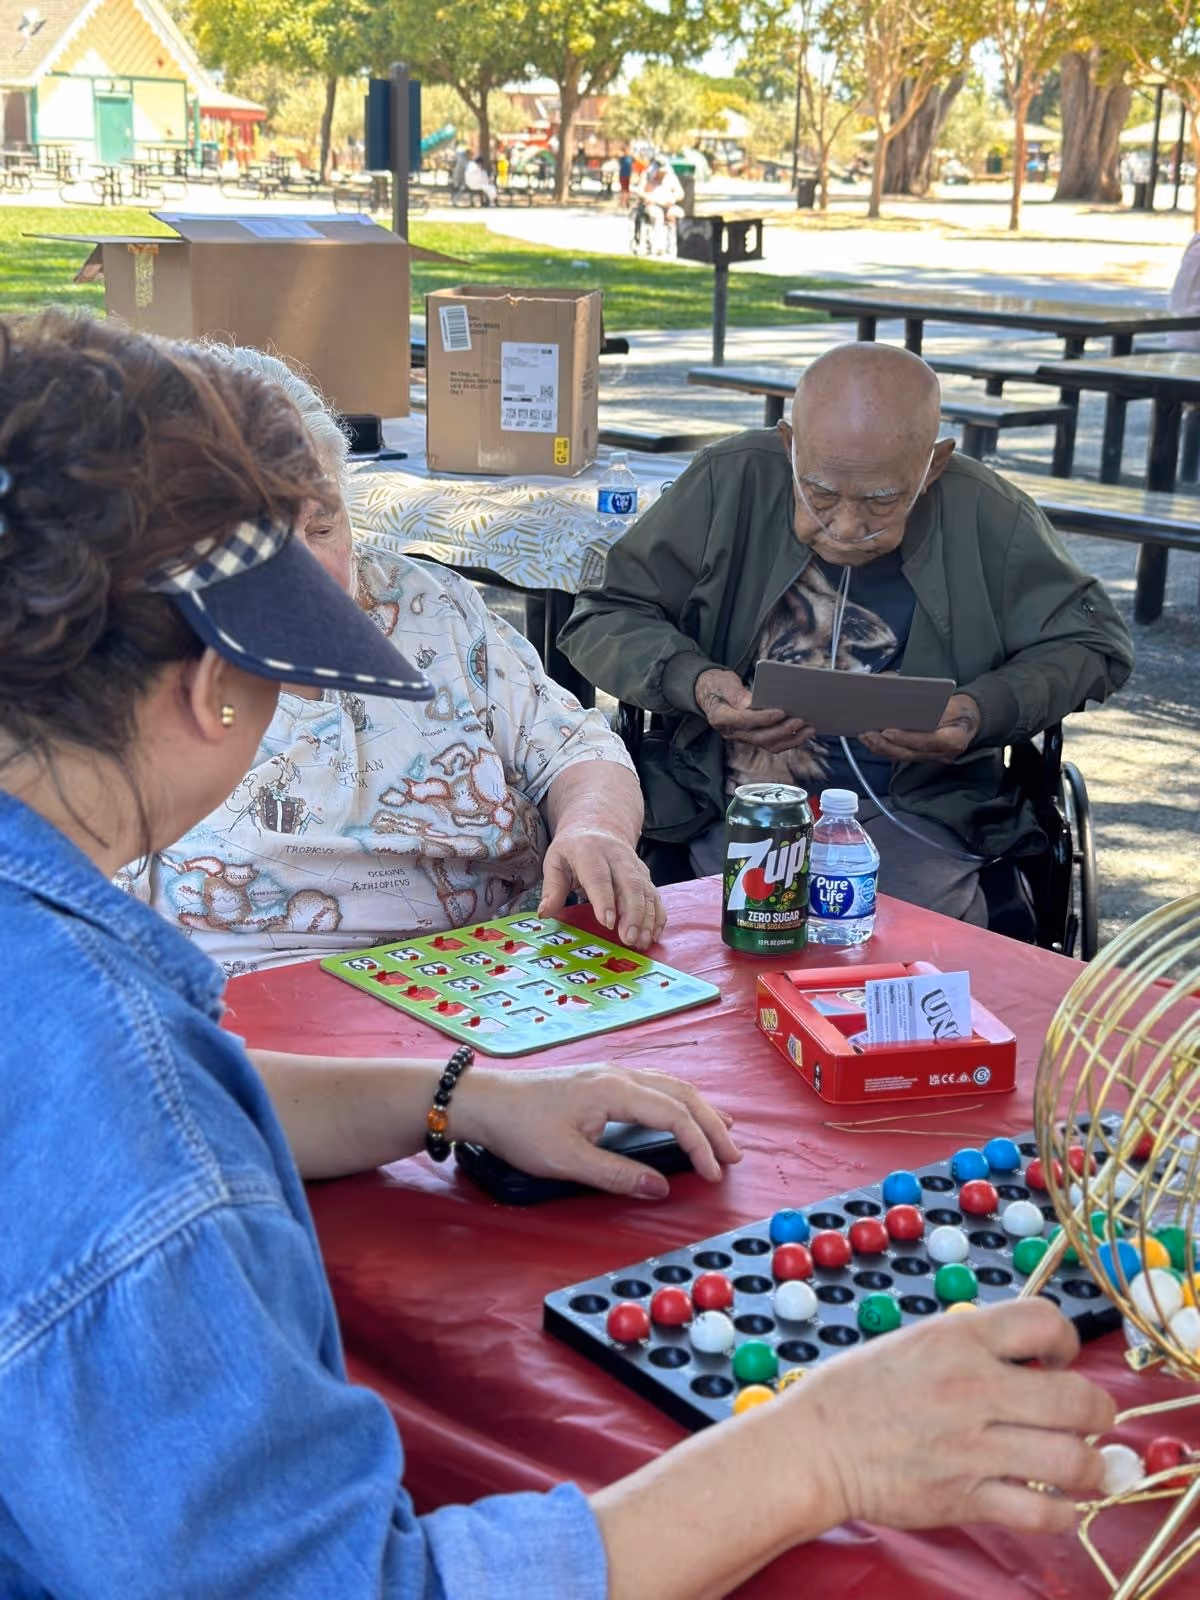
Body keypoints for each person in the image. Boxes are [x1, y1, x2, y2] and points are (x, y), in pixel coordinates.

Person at [0, 305, 1118, 1600]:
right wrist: (824, 1448)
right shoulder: (120, 1100)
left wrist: (455, 1094)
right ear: (213, 692)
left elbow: (162, 1106)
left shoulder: (91, 1017)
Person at [120, 347, 660, 973]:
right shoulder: (134, 658)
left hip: (504, 972)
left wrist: (594, 827)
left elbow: (575, 748)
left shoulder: (433, 608)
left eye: (323, 529)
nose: (312, 570)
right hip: (271, 1013)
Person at [560, 343, 1133, 922]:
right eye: (822, 493)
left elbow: (1093, 643)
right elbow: (606, 613)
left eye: (883, 500)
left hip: (921, 806)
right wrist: (697, 682)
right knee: (706, 941)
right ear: (790, 446)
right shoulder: (730, 481)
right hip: (725, 795)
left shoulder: (988, 513)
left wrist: (981, 710)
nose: (848, 525)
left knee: (904, 951)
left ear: (933, 466)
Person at [632, 156, 685, 249]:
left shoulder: (670, 176)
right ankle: (657, 244)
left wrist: (674, 198)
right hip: (652, 205)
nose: (662, 173)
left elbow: (680, 193)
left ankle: (676, 244)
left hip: (668, 204)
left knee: (678, 213)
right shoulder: (647, 175)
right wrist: (649, 197)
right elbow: (639, 191)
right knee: (657, 215)